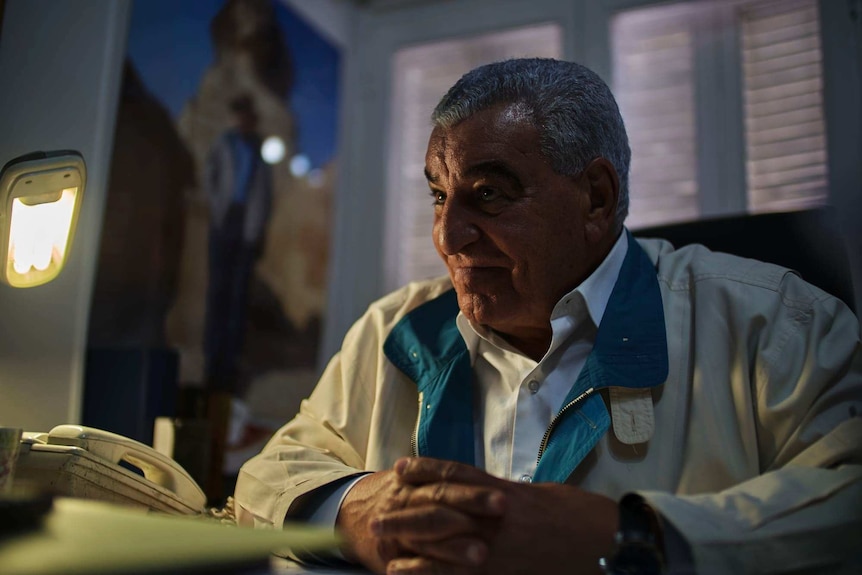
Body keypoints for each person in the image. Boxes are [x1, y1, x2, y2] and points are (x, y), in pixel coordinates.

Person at [234, 59, 862, 574]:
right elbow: (271, 472)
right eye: (438, 194)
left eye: (489, 194)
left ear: (596, 198)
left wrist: (632, 537)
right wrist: (356, 511)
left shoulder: (776, 324)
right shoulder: (395, 329)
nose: (448, 236)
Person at [203, 94, 273, 391]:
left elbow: (265, 193)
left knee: (237, 296)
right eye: (238, 114)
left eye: (246, 114)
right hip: (226, 220)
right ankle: (212, 361)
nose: (242, 120)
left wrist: (256, 229)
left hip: (246, 225)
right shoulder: (224, 144)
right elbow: (210, 177)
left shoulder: (258, 150)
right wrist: (217, 206)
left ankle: (230, 364)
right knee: (218, 291)